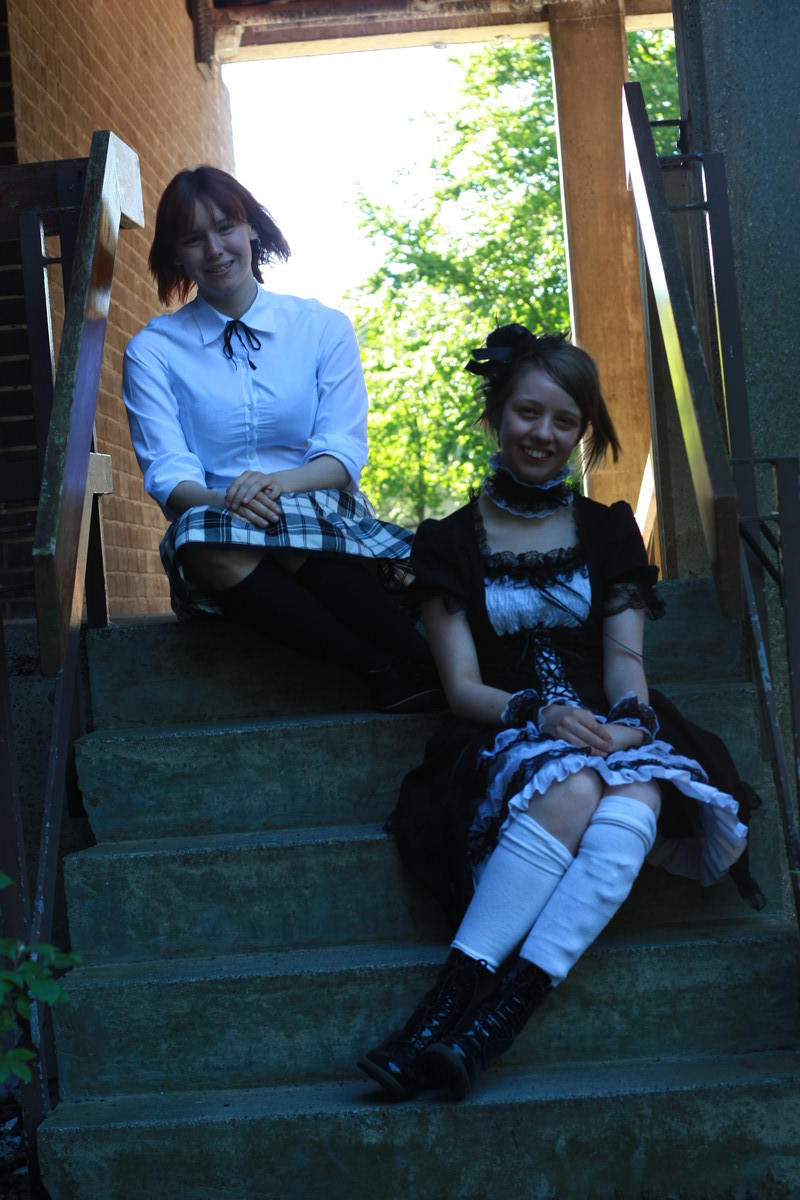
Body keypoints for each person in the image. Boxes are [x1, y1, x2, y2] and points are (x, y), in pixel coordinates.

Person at [357, 323, 762, 1102]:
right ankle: (443, 1011)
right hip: (504, 721)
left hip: (604, 715)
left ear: (583, 431)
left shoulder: (607, 529)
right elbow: (461, 686)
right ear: (497, 415)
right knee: (573, 787)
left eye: (564, 420)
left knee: (638, 788)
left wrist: (630, 723)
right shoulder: (448, 543)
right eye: (527, 413)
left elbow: (624, 661)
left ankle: (494, 1023)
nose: (543, 433)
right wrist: (538, 715)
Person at [122, 165, 442, 713]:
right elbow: (169, 475)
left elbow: (342, 455)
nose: (215, 249)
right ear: (176, 253)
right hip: (219, 523)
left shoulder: (321, 327)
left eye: (225, 228)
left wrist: (271, 487)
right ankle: (378, 666)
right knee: (198, 537)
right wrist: (232, 500)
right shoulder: (153, 351)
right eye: (194, 239)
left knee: (279, 525)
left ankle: (418, 664)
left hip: (319, 506)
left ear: (251, 229)